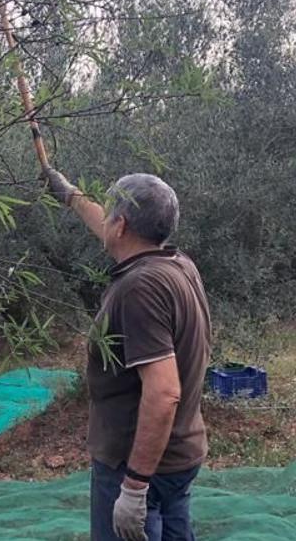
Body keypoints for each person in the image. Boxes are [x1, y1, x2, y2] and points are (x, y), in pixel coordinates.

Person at [45, 168, 211, 541]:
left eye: (111, 215)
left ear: (120, 226)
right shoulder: (177, 265)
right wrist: (70, 195)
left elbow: (164, 391)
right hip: (178, 458)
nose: (104, 221)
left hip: (139, 466)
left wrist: (134, 487)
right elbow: (108, 227)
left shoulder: (140, 288)